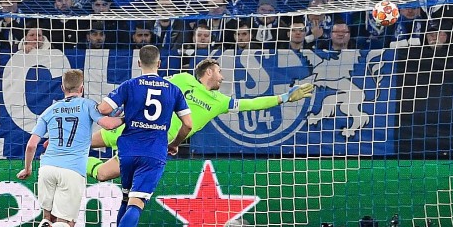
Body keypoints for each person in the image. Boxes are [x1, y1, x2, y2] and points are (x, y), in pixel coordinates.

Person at [87, 58, 318, 183]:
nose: (222, 76)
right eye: (219, 72)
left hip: (153, 142)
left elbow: (250, 103)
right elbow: (149, 88)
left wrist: (284, 98)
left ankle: (67, 162)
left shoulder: (219, 101)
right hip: (135, 128)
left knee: (103, 174)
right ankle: (58, 154)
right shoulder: (182, 79)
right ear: (207, 72)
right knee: (82, 143)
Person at [97, 45, 193, 227]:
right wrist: (175, 143)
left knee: (126, 198)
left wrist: (122, 117)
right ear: (159, 64)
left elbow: (102, 109)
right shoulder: (173, 89)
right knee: (137, 203)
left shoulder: (130, 85)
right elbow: (188, 123)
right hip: (154, 153)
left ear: (139, 63)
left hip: (128, 152)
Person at [15, 68, 102, 227]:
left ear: (62, 87)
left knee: (46, 219)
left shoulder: (50, 110)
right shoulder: (88, 105)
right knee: (66, 225)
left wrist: (28, 168)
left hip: (47, 168)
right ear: (82, 88)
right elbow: (107, 123)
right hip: (72, 170)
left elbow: (31, 145)